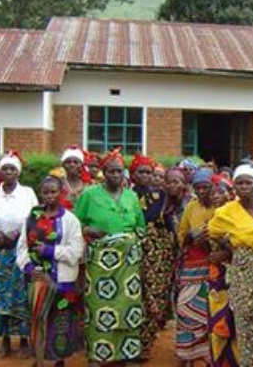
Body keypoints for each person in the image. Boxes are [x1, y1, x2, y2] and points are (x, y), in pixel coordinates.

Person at [74, 148, 146, 366]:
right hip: (100, 263)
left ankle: (128, 353)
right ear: (103, 173)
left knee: (128, 305)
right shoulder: (89, 194)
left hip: (128, 263)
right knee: (99, 304)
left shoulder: (132, 196)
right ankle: (99, 354)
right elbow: (75, 223)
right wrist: (88, 231)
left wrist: (132, 240)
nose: (116, 176)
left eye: (119, 171)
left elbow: (141, 226)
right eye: (111, 172)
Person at [208, 164, 253, 366]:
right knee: (248, 330)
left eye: (248, 182)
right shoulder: (226, 212)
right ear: (234, 187)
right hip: (245, 277)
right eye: (239, 183)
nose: (244, 186)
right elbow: (213, 233)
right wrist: (226, 250)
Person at [17, 176, 84, 367]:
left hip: (63, 281)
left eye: (53, 191)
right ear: (41, 193)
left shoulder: (70, 220)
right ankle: (39, 359)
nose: (49, 196)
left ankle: (58, 360)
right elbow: (21, 247)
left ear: (60, 191)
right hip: (38, 279)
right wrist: (29, 268)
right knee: (39, 320)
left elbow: (76, 251)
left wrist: (51, 251)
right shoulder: (32, 218)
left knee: (61, 322)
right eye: (45, 192)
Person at [0, 150, 38, 358]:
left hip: (20, 249)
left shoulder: (27, 193)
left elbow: (35, 216)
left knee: (21, 296)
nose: (8, 172)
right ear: (0, 172)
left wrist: (17, 233)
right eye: (5, 169)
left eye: (12, 169)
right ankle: (4, 340)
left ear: (18, 172)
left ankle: (25, 340)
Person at [130, 152, 174, 359]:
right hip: (133, 246)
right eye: (141, 172)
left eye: (149, 172)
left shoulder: (162, 196)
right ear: (133, 173)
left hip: (159, 251)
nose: (146, 176)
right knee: (134, 294)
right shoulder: (126, 195)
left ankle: (145, 344)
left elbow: (169, 224)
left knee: (156, 294)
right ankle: (130, 343)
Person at [175, 168, 216, 365]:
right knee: (184, 307)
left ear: (212, 187)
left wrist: (211, 237)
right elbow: (181, 233)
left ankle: (208, 355)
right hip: (192, 262)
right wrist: (190, 236)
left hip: (214, 263)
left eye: (205, 187)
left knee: (210, 310)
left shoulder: (221, 207)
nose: (201, 191)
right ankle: (187, 354)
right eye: (197, 187)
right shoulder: (191, 207)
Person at [207, 174, 239, 367]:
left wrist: (226, 252)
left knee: (233, 319)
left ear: (230, 194)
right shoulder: (212, 216)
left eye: (221, 191)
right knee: (217, 320)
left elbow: (244, 244)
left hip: (235, 275)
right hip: (216, 276)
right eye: (213, 192)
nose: (216, 195)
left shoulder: (237, 215)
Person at [50, 145, 94, 211]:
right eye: (68, 162)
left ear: (81, 165)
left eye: (76, 162)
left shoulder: (89, 185)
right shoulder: (56, 184)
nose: (72, 165)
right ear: (63, 165)